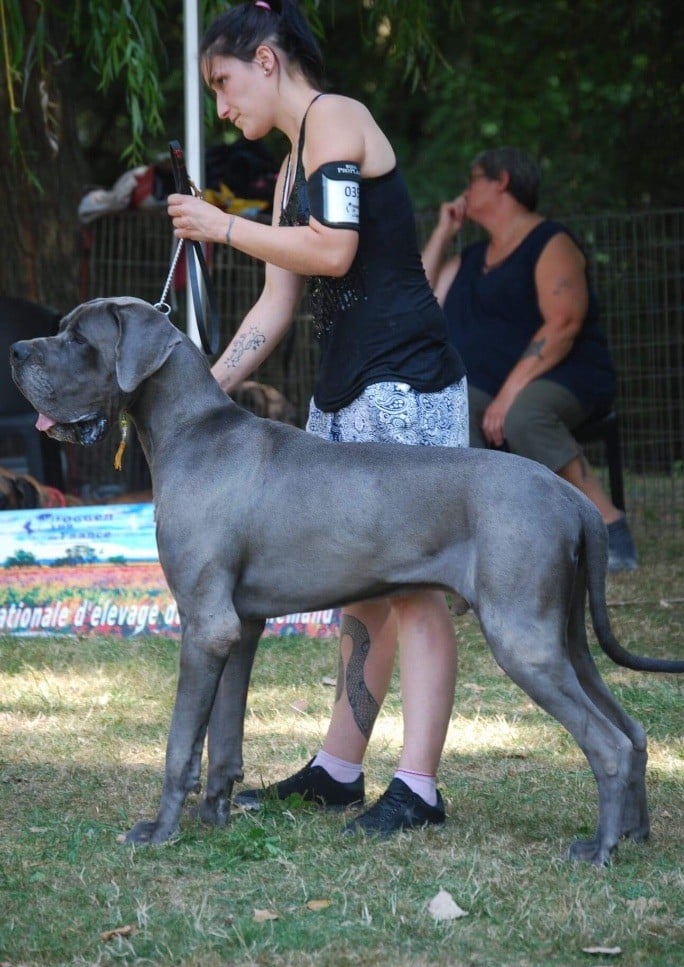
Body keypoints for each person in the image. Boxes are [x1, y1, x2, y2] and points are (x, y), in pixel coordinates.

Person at [167, 0, 469, 835]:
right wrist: (201, 389)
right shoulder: (293, 164)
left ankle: (419, 787)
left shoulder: (337, 117)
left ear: (266, 60)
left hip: (404, 381)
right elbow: (275, 303)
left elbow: (332, 249)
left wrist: (222, 227)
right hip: (343, 389)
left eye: (223, 84)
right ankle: (339, 770)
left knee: (411, 585)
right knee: (358, 589)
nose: (223, 108)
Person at [421, 146, 638, 573]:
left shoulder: (549, 242)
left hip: (564, 376)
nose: (465, 190)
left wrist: (507, 396)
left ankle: (609, 529)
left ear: (500, 181)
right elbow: (418, 302)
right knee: (450, 411)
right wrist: (443, 234)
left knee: (525, 415)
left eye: (473, 179)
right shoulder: (468, 259)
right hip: (488, 384)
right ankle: (486, 545)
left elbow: (564, 322)